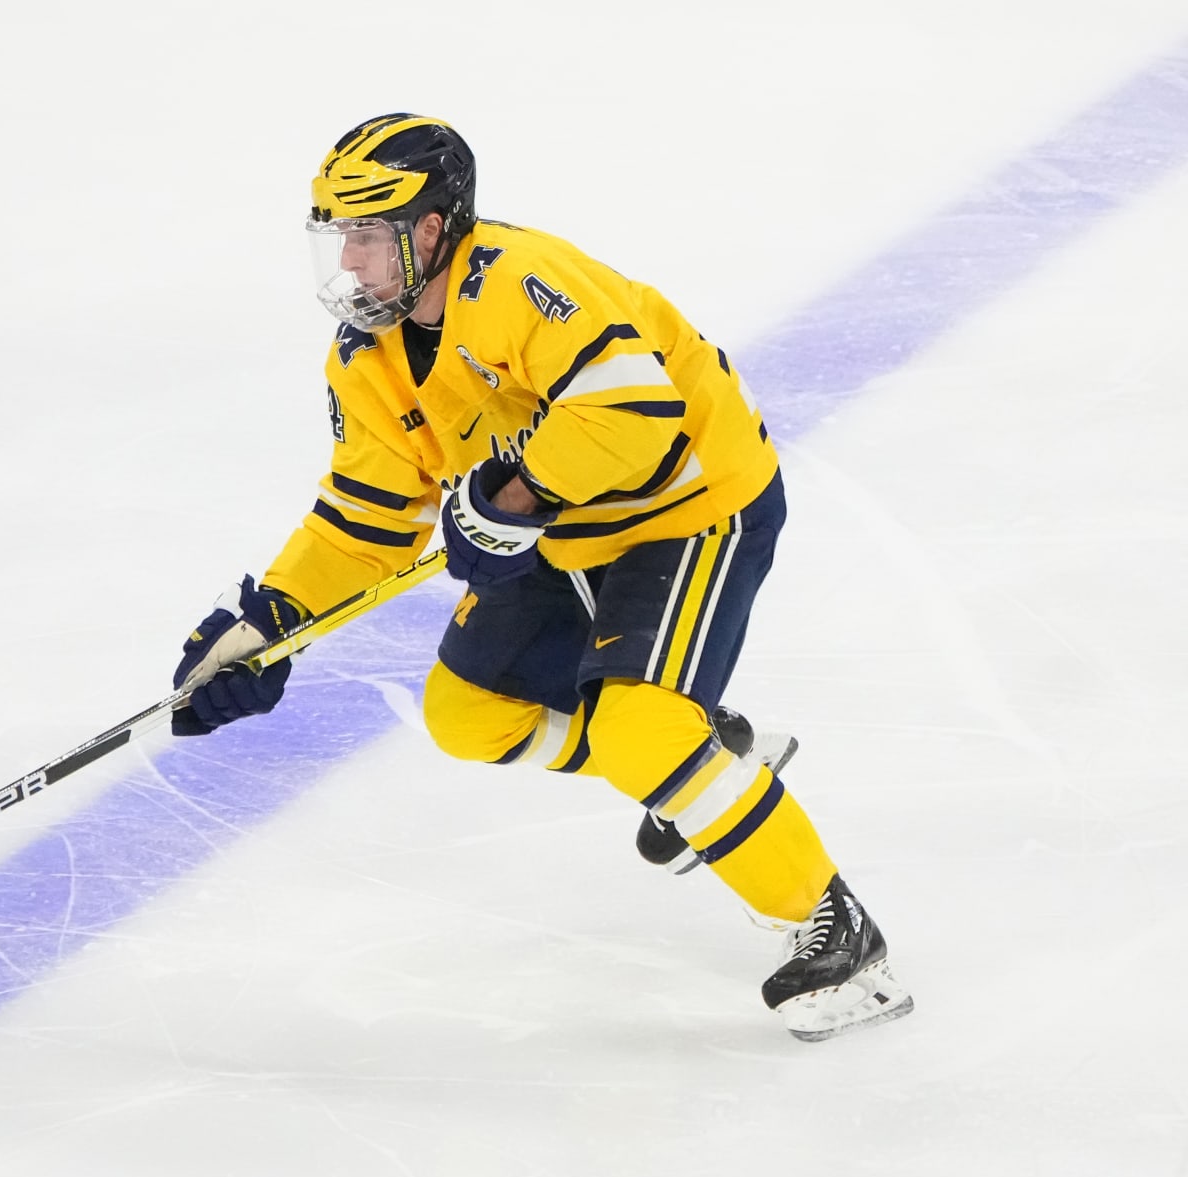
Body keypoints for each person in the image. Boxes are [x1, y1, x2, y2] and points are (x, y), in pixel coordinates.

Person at [169, 113, 912, 1042]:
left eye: (367, 236)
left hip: (689, 508)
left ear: (432, 228)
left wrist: (513, 499)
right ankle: (709, 758)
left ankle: (833, 926)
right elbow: (365, 519)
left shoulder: (523, 280)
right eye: (339, 238)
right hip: (560, 532)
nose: (350, 265)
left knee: (640, 730)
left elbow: (635, 411)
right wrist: (270, 624)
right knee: (468, 716)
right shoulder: (370, 356)